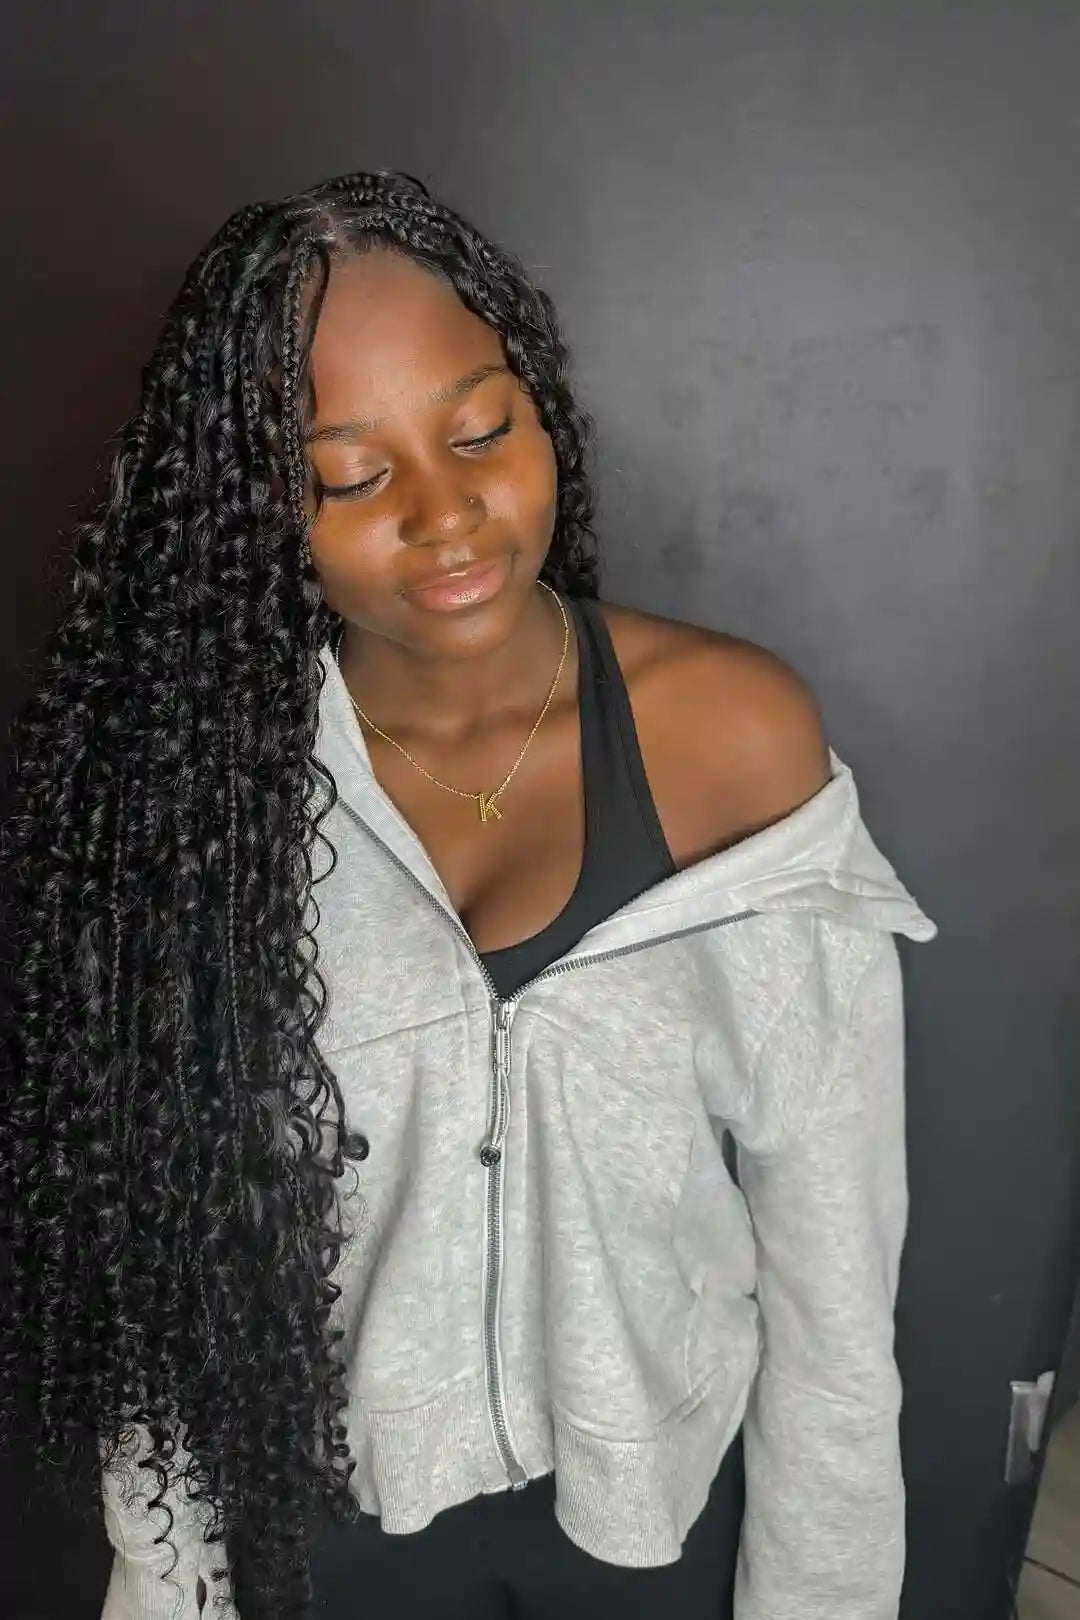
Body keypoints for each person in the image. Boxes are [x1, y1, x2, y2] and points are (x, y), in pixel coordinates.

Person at [0, 170, 936, 1620]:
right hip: (322, 1531)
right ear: (253, 507)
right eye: (349, 476)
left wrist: (824, 1593)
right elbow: (163, 1269)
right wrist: (169, 1585)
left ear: (538, 407)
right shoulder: (198, 806)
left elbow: (834, 1266)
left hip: (659, 1523)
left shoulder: (733, 739)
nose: (446, 515)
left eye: (482, 431)